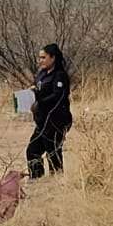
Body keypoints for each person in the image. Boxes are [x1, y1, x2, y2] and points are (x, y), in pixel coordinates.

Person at [26, 43, 73, 180]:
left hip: (55, 121)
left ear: (53, 58)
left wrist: (40, 101)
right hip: (42, 120)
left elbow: (58, 96)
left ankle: (56, 182)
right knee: (32, 151)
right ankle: (37, 180)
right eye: (39, 58)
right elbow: (38, 91)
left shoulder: (60, 76)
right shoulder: (41, 74)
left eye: (43, 57)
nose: (40, 61)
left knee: (53, 153)